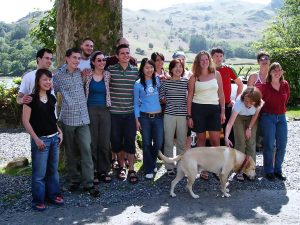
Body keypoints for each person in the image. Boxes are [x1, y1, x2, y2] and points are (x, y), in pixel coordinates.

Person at [53, 48, 99, 197]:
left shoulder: (82, 74)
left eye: (79, 58)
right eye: (74, 57)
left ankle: (89, 183)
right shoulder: (59, 76)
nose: (77, 61)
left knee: (86, 149)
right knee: (71, 152)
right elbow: (48, 91)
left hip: (83, 118)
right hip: (68, 118)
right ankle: (73, 180)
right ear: (67, 58)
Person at [22, 69, 63, 211]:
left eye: (50, 79)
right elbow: (25, 121)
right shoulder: (30, 99)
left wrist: (59, 132)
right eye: (44, 79)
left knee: (53, 171)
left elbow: (52, 119)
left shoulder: (52, 98)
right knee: (39, 174)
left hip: (54, 139)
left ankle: (53, 195)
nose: (48, 82)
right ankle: (38, 200)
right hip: (40, 141)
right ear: (38, 81)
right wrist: (36, 139)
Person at [187, 50, 225, 180]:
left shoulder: (216, 74)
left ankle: (217, 167)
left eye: (206, 59)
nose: (204, 62)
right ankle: (203, 169)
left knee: (215, 141)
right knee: (201, 141)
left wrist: (223, 111)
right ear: (198, 62)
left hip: (214, 110)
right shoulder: (194, 77)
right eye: (201, 60)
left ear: (210, 61)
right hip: (198, 110)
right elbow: (190, 97)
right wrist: (189, 116)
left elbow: (221, 94)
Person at [108, 44, 139, 184]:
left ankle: (131, 168)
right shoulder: (110, 70)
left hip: (130, 113)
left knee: (130, 141)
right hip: (114, 113)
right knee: (116, 142)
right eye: (122, 53)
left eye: (127, 53)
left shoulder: (135, 71)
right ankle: (121, 167)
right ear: (117, 56)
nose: (126, 55)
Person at [82, 51, 112, 184]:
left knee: (105, 142)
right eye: (98, 60)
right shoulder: (87, 75)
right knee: (93, 142)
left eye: (103, 60)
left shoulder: (108, 75)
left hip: (105, 110)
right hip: (90, 110)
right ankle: (93, 170)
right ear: (93, 62)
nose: (102, 63)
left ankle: (104, 170)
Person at [258, 62, 290, 181]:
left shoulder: (285, 84)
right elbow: (258, 104)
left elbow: (286, 99)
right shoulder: (264, 87)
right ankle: (269, 171)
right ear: (270, 73)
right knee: (269, 145)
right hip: (268, 118)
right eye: (274, 70)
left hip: (281, 117)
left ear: (281, 72)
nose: (277, 73)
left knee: (282, 144)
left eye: (279, 70)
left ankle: (278, 170)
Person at [224, 87, 263, 181]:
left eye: (251, 102)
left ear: (256, 101)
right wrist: (226, 137)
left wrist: (249, 128)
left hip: (251, 118)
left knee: (251, 142)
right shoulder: (239, 104)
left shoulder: (259, 104)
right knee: (240, 142)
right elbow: (229, 124)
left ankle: (251, 169)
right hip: (239, 118)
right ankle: (239, 170)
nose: (248, 104)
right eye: (246, 101)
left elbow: (255, 116)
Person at [134, 58, 163, 179]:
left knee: (158, 142)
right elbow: (135, 103)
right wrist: (136, 120)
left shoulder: (157, 80)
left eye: (151, 67)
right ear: (142, 69)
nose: (149, 69)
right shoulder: (138, 84)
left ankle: (151, 162)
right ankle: (149, 168)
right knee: (146, 143)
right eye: (146, 67)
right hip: (144, 117)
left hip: (158, 117)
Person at [159, 59, 188, 176]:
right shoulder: (165, 82)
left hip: (182, 115)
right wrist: (170, 102)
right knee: (168, 141)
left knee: (181, 142)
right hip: (169, 114)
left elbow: (190, 97)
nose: (178, 69)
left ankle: (181, 166)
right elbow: (161, 96)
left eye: (180, 67)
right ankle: (169, 166)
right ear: (171, 69)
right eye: (175, 67)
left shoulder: (186, 82)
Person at [211, 47, 244, 147]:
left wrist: (236, 100)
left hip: (227, 105)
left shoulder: (229, 69)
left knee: (229, 133)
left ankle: (230, 157)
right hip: (212, 105)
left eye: (221, 56)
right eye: (216, 56)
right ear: (211, 57)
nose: (219, 58)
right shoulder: (207, 70)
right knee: (214, 132)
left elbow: (240, 84)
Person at [247, 51, 271, 151]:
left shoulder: (273, 76)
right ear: (258, 62)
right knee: (253, 136)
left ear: (269, 61)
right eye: (261, 59)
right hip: (255, 108)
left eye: (266, 59)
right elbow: (248, 94)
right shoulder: (253, 77)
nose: (264, 61)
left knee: (269, 137)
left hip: (269, 109)